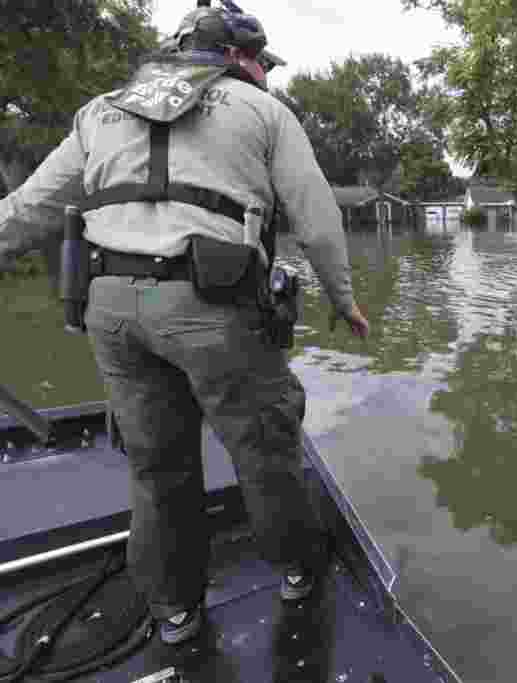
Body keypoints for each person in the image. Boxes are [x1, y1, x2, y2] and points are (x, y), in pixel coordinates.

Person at [0, 1, 370, 646]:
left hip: (111, 309)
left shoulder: (100, 109)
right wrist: (343, 299)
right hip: (212, 304)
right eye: (260, 61)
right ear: (234, 55)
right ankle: (299, 576)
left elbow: (28, 210)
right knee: (264, 451)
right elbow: (316, 219)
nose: (265, 73)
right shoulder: (263, 110)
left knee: (156, 469)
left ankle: (175, 614)